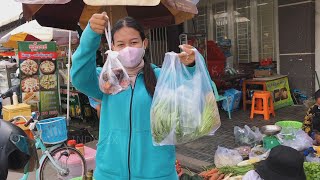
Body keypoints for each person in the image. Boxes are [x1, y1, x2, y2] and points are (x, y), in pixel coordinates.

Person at [71, 12, 200, 180]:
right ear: (112, 47)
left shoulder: (162, 78)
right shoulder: (106, 81)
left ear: (144, 43)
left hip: (157, 174)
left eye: (133, 42)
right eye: (121, 44)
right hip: (110, 174)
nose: (128, 49)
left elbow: (196, 91)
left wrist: (192, 66)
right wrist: (90, 37)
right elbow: (79, 77)